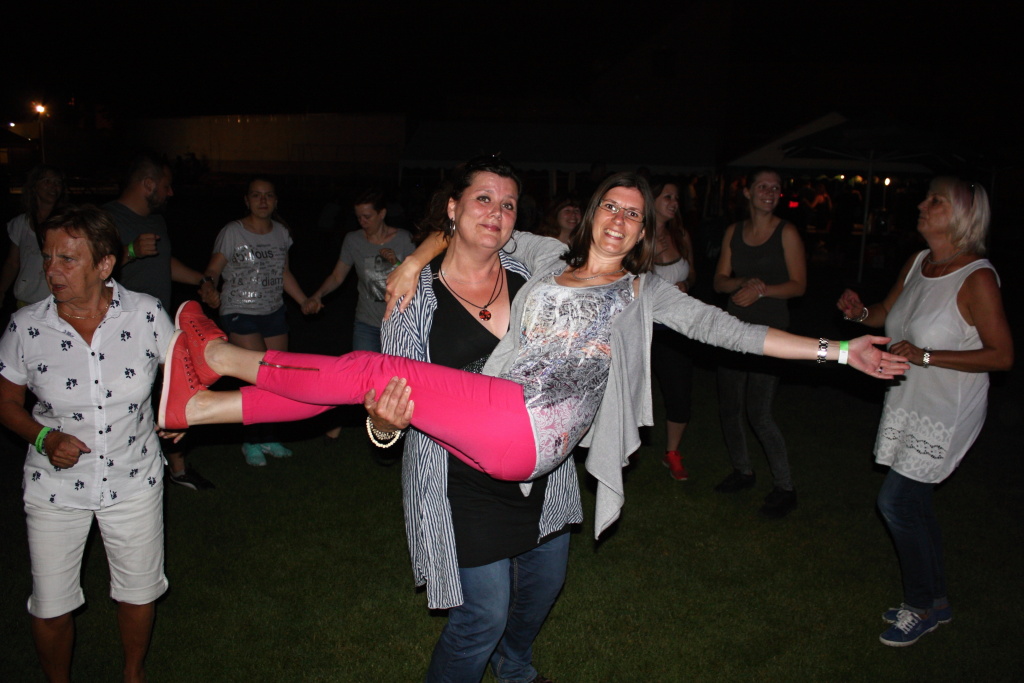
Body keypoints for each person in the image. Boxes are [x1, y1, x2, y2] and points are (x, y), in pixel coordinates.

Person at [159, 172, 906, 539]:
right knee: (365, 384)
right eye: (611, 205)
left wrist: (840, 350)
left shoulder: (645, 292)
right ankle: (200, 406)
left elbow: (736, 332)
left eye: (634, 213)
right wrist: (414, 260)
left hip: (532, 429)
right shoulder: (548, 256)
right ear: (594, 213)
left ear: (643, 232)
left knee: (368, 370)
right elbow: (469, 228)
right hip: (502, 417)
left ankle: (217, 352)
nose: (620, 219)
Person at [362, 157, 577, 682]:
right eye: (483, 199)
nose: (496, 213)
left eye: (508, 204)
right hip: (458, 481)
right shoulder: (413, 295)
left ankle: (514, 665)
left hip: (539, 470)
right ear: (453, 208)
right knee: (482, 616)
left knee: (543, 586)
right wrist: (384, 424)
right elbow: (393, 398)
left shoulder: (534, 279)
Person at [0, 205, 176, 683]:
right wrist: (44, 436)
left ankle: (133, 674)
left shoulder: (145, 314)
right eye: (47, 256)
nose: (51, 270)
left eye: (68, 259)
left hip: (134, 479)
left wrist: (177, 414)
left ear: (104, 264)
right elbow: (7, 403)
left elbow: (181, 372)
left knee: (138, 591)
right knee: (51, 605)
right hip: (55, 487)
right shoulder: (26, 327)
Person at [837, 177, 1012, 647]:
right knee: (914, 504)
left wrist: (926, 355)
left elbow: (1002, 355)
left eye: (935, 201)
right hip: (909, 399)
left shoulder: (977, 277)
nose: (922, 204)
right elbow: (886, 313)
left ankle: (920, 607)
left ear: (962, 215)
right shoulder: (919, 262)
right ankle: (937, 600)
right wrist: (859, 314)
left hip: (947, 408)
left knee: (895, 502)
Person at [104, 152, 215, 491]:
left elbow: (164, 263)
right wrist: (130, 251)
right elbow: (90, 268)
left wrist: (201, 280)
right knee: (126, 402)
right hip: (118, 331)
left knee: (170, 394)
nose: (170, 193)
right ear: (148, 184)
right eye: (166, 186)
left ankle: (177, 469)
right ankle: (122, 470)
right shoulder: (106, 219)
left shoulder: (156, 221)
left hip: (158, 326)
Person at [712, 167, 806, 518]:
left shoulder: (787, 232)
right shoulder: (734, 232)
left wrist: (762, 290)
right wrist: (741, 283)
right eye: (763, 186)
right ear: (748, 192)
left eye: (775, 188)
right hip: (733, 329)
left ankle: (785, 487)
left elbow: (799, 285)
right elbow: (719, 281)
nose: (770, 192)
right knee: (730, 407)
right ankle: (743, 470)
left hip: (771, 334)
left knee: (760, 413)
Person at [202, 176, 313, 466]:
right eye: (256, 195)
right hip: (239, 310)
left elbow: (283, 273)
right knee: (257, 374)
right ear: (247, 200)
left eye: (268, 195)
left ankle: (269, 436)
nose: (262, 201)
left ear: (275, 201)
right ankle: (250, 440)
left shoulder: (281, 233)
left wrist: (303, 300)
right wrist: (209, 286)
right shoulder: (232, 232)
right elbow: (213, 269)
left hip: (273, 311)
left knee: (276, 377)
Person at [302, 188, 415, 446]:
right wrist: (317, 295)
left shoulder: (403, 239)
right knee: (358, 377)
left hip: (398, 323)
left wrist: (396, 263)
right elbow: (337, 276)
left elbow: (418, 280)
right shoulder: (353, 240)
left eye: (367, 216)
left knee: (396, 381)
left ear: (382, 214)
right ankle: (336, 424)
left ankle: (397, 431)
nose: (362, 222)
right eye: (358, 217)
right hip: (366, 322)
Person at [649, 177, 698, 481]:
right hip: (643, 327)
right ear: (651, 199)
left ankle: (672, 453)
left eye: (676, 198)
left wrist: (686, 284)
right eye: (667, 196)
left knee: (679, 392)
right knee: (632, 392)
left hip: (676, 328)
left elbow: (693, 273)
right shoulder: (636, 235)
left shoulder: (680, 235)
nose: (674, 203)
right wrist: (649, 254)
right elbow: (622, 279)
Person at [1, 164, 68, 307]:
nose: (53, 186)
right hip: (26, 299)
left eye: (57, 182)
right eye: (47, 181)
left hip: (57, 300)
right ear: (34, 186)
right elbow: (13, 262)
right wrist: (1, 290)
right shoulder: (20, 223)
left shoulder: (68, 223)